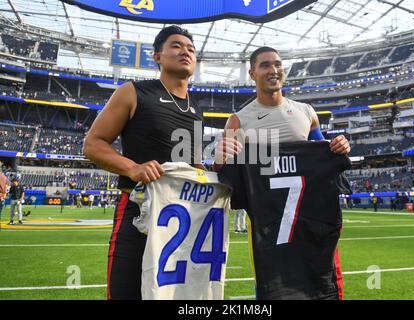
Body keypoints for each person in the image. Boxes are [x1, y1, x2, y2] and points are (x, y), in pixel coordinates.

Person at [215, 47, 351, 300]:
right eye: (265, 65)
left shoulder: (306, 113)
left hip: (309, 218)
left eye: (278, 64)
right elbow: (224, 177)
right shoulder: (238, 121)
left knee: (319, 279)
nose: (274, 70)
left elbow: (323, 153)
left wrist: (339, 146)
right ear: (252, 73)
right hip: (267, 224)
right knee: (271, 284)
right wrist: (220, 155)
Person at [83, 25, 203, 300]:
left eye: (191, 49)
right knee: (127, 292)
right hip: (138, 211)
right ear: (157, 56)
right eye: (176, 45)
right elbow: (93, 144)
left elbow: (192, 166)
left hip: (181, 220)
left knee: (176, 295)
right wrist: (132, 168)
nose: (185, 51)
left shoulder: (197, 109)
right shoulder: (134, 92)